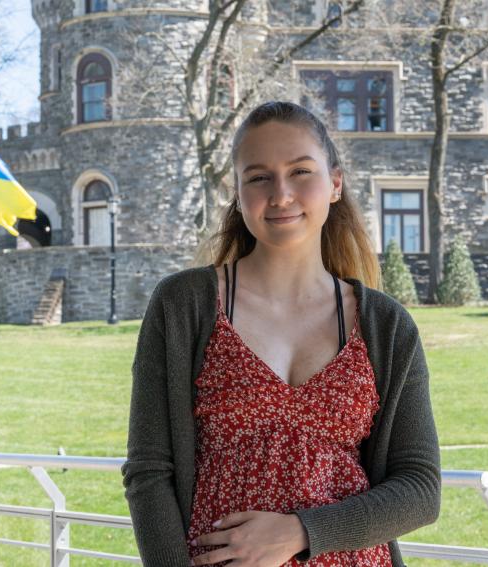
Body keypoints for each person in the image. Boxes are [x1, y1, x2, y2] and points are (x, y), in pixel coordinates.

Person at [121, 101, 441, 567]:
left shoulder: (387, 327)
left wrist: (299, 532)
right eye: (258, 177)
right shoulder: (183, 303)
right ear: (237, 192)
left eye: (300, 171)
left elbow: (420, 488)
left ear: (334, 183)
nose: (281, 194)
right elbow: (149, 471)